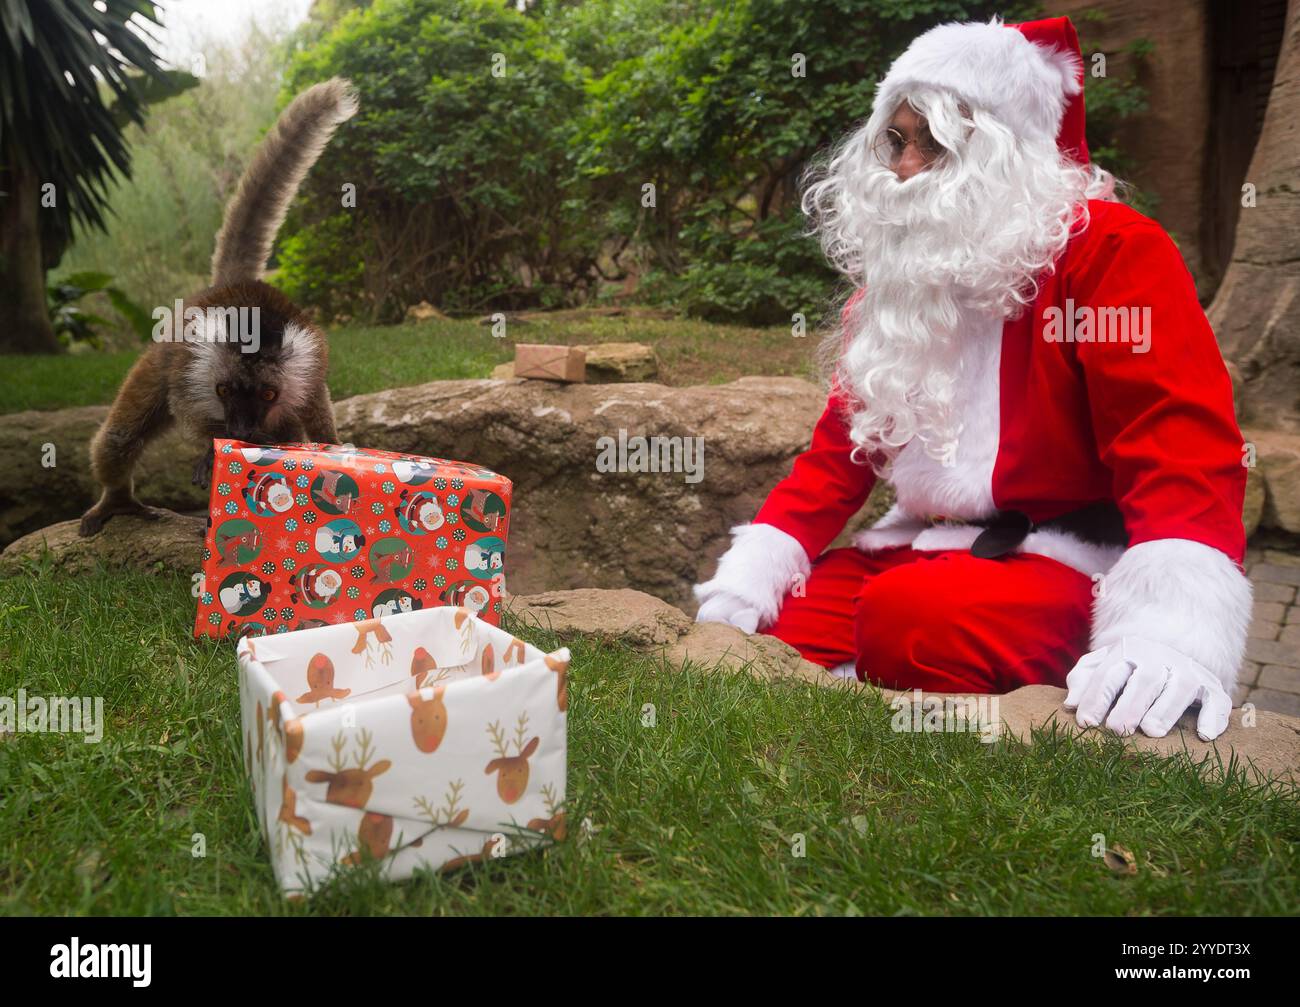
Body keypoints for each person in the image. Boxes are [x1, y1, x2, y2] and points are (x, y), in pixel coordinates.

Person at [692, 15, 1250, 742]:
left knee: (909, 622)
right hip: (923, 547)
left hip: (1065, 555)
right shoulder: (896, 288)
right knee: (782, 627)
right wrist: (752, 573)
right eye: (897, 140)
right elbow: (839, 455)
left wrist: (1173, 629)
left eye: (939, 142)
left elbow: (1178, 447)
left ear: (1005, 151)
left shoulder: (1112, 251)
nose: (906, 167)